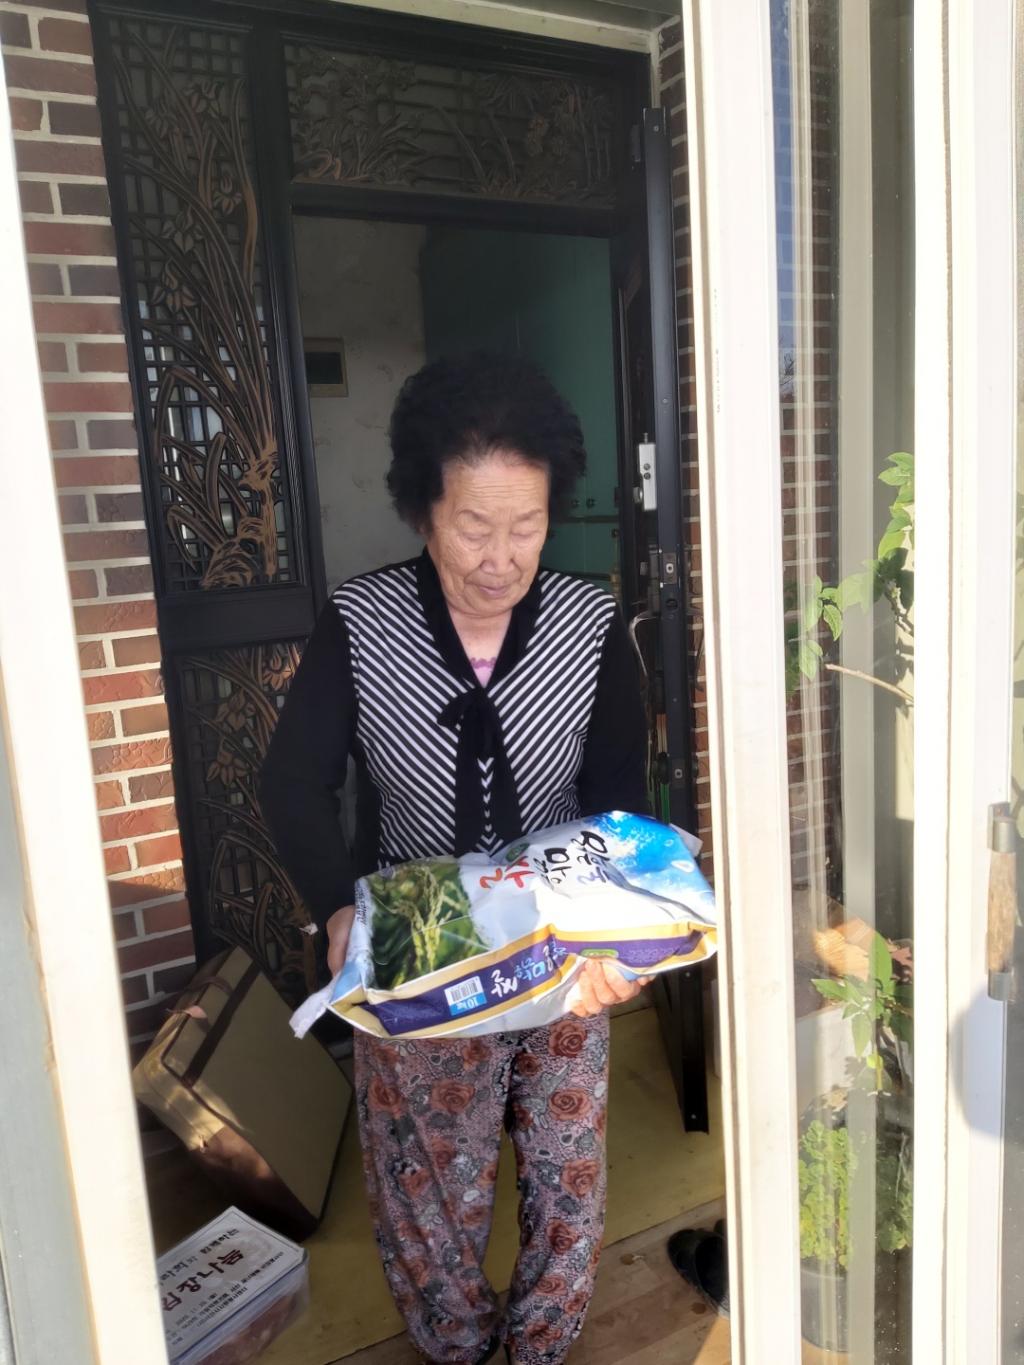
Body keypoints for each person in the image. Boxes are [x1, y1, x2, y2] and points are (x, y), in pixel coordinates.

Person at [260, 353, 650, 1365]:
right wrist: (338, 912)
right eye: (474, 525)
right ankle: (457, 1349)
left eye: (527, 526)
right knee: (428, 1185)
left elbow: (620, 803)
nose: (500, 558)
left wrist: (621, 939)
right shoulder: (362, 622)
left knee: (567, 1174)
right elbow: (292, 782)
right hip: (420, 954)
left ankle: (542, 1348)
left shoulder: (591, 626)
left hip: (562, 949)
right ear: (421, 509)